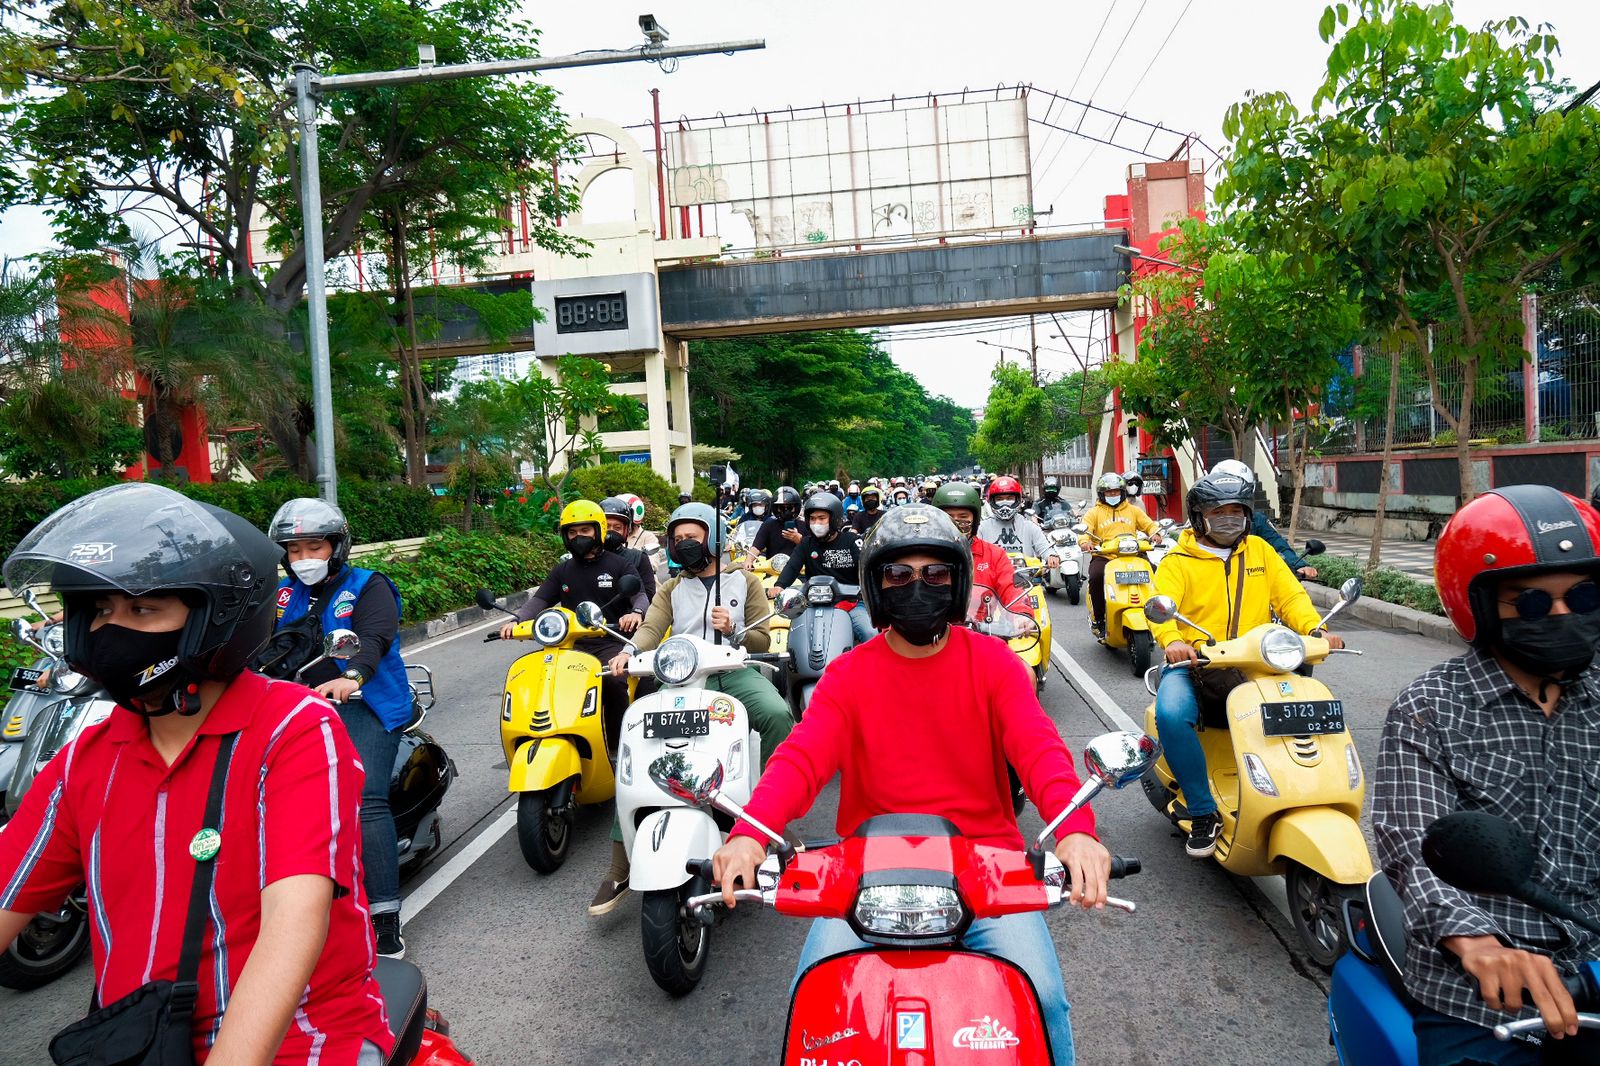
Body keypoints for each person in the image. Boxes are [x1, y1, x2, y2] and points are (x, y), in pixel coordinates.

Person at [0, 482, 391, 1064]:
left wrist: (354, 671)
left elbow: (293, 923)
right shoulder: (88, 758)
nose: (113, 629)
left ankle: (387, 910)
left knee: (375, 802)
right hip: (139, 1034)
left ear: (216, 617)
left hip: (300, 1037)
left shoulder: (294, 726)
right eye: (99, 611)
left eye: (142, 608)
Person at [710, 505, 1110, 1065]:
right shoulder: (849, 675)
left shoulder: (996, 664)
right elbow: (801, 759)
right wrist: (750, 834)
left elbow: (1038, 749)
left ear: (957, 584)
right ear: (876, 587)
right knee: (814, 993)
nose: (917, 587)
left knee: (1043, 1001)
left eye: (934, 575)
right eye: (899, 575)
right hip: (864, 872)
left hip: (987, 871)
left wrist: (1074, 831)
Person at [1373, 485, 1600, 1065]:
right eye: (1528, 604)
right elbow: (1413, 844)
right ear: (1478, 604)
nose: (1560, 616)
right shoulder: (1431, 707)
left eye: (1583, 595)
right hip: (1480, 998)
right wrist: (1478, 944)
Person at [599, 504, 797, 915]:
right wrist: (629, 651)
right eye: (679, 539)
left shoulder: (743, 582)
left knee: (778, 715)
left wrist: (733, 629)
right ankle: (621, 861)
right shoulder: (672, 587)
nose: (685, 545)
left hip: (732, 671)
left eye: (694, 537)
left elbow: (762, 636)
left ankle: (774, 818)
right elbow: (653, 627)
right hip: (682, 679)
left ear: (715, 539)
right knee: (635, 735)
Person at [1150, 471, 1342, 858]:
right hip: (1197, 662)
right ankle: (1204, 811)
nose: (1228, 518)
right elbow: (1159, 608)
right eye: (1218, 511)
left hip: (1258, 661)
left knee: (1311, 703)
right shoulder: (1177, 561)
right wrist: (1173, 643)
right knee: (1171, 715)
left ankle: (1305, 787)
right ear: (1199, 515)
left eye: (1236, 511)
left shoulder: (1260, 551)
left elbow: (1290, 597)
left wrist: (1315, 631)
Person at [265, 498, 412, 959]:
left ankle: (384, 916)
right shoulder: (281, 595)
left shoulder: (370, 587)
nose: (304, 557)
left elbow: (374, 639)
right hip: (292, 705)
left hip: (366, 703)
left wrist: (351, 678)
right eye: (294, 549)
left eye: (315, 546)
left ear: (336, 546)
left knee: (363, 797)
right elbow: (250, 647)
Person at [500, 500, 649, 732]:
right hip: (570, 644)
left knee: (612, 680)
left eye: (585, 530)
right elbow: (540, 600)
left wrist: (636, 613)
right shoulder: (563, 570)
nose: (578, 537)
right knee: (543, 678)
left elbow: (640, 596)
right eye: (572, 532)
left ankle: (617, 741)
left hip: (611, 641)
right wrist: (517, 620)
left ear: (598, 530)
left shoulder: (620, 565)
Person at [770, 491, 875, 644]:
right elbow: (792, 567)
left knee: (870, 633)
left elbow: (866, 568)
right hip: (813, 601)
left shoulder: (852, 541)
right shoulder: (806, 543)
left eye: (821, 518)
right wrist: (779, 586)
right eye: (812, 519)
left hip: (851, 602)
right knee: (792, 637)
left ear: (834, 519)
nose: (816, 523)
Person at [934, 481, 1036, 633]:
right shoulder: (926, 554)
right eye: (948, 517)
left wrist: (1021, 614)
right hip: (930, 636)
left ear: (974, 520)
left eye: (963, 517)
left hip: (981, 634)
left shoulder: (994, 555)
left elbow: (1011, 588)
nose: (955, 523)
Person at [1077, 472, 1164, 639]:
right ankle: (1099, 619)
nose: (1113, 495)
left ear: (1122, 492)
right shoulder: (1094, 512)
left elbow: (1149, 525)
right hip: (1106, 555)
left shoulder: (1133, 510)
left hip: (1133, 553)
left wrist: (1155, 534)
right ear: (1102, 494)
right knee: (1096, 577)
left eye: (1116, 492)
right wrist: (1084, 542)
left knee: (1157, 573)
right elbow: (1085, 530)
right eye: (1109, 492)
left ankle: (1160, 614)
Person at [1210, 459, 1318, 579]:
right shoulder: (1200, 526)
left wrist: (1297, 565)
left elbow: (1277, 544)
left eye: (1236, 510)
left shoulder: (1257, 521)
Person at [979, 475, 1063, 569]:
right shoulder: (982, 527)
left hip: (1025, 579)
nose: (1005, 503)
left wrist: (1051, 556)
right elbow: (973, 553)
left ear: (1018, 500)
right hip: (992, 580)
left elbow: (1044, 547)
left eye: (1010, 498)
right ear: (992, 501)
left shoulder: (1029, 526)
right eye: (999, 499)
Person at [600, 495, 658, 601]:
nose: (611, 531)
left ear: (626, 530)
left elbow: (648, 595)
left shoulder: (638, 557)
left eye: (617, 528)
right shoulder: (587, 558)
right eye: (606, 527)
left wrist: (636, 611)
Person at [752, 485, 804, 558]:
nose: (786, 511)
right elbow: (757, 546)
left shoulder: (804, 525)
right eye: (781, 507)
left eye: (789, 507)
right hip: (772, 567)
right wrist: (749, 560)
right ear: (776, 508)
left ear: (796, 507)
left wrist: (800, 540)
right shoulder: (769, 524)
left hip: (800, 567)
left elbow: (813, 550)